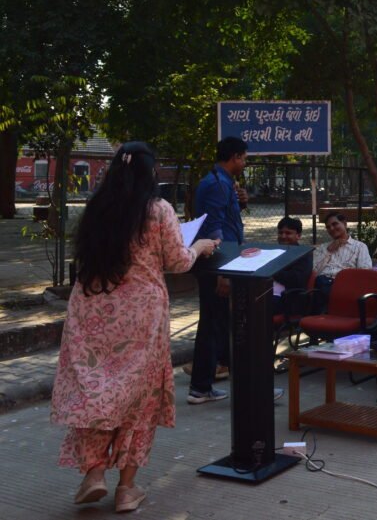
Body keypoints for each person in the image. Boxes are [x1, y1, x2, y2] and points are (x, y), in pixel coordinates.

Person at [51, 142, 219, 512]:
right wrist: (201, 246)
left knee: (96, 390)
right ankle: (126, 489)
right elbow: (177, 261)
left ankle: (94, 473)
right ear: (150, 172)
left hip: (92, 308)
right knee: (140, 398)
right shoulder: (157, 209)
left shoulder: (97, 208)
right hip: (141, 315)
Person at [188, 136, 248, 405]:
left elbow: (228, 219)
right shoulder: (216, 184)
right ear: (235, 157)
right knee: (214, 324)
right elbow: (215, 229)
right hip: (218, 263)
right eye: (244, 159)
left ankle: (210, 385)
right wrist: (223, 272)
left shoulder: (223, 183)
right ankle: (202, 386)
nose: (244, 164)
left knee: (219, 324)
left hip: (223, 260)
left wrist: (241, 203)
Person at [311, 213, 372, 308]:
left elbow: (365, 271)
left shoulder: (360, 247)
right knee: (320, 282)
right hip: (322, 283)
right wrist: (329, 251)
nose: (331, 228)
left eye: (334, 224)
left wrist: (344, 276)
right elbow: (315, 271)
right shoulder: (323, 248)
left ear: (344, 224)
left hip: (346, 284)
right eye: (328, 227)